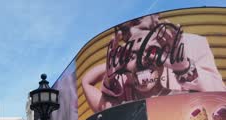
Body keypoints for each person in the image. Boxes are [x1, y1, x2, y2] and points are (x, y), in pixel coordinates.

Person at [81, 13, 226, 114]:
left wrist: (184, 69)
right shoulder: (124, 62)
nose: (132, 31)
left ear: (155, 17)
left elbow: (220, 97)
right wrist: (111, 72)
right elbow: (102, 99)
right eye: (124, 29)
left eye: (137, 21)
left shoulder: (191, 44)